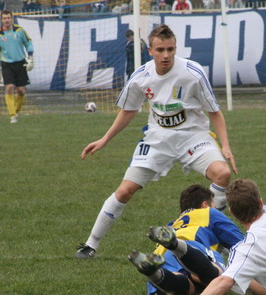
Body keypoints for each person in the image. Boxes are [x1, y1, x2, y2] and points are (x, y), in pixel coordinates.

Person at [75, 24, 237, 259]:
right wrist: (105, 139)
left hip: (194, 137)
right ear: (150, 50)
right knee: (125, 191)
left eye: (170, 49)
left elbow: (214, 112)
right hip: (157, 140)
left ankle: (216, 237)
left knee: (222, 173)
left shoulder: (192, 73)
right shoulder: (141, 76)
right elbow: (128, 110)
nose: (166, 55)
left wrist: (225, 145)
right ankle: (91, 244)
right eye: (160, 50)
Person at [128, 184, 244, 295]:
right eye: (214, 205)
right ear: (205, 205)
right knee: (218, 278)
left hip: (161, 255)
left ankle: (155, 274)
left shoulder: (172, 225)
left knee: (186, 289)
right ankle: (176, 247)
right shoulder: (208, 213)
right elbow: (243, 245)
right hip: (191, 247)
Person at [0, 10, 34, 124]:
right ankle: (12, 115)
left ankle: (16, 111)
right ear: (1, 20)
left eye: (8, 18)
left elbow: (28, 42)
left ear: (12, 19)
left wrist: (30, 56)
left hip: (20, 63)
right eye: (4, 18)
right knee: (9, 87)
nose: (7, 20)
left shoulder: (20, 30)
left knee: (21, 91)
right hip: (6, 64)